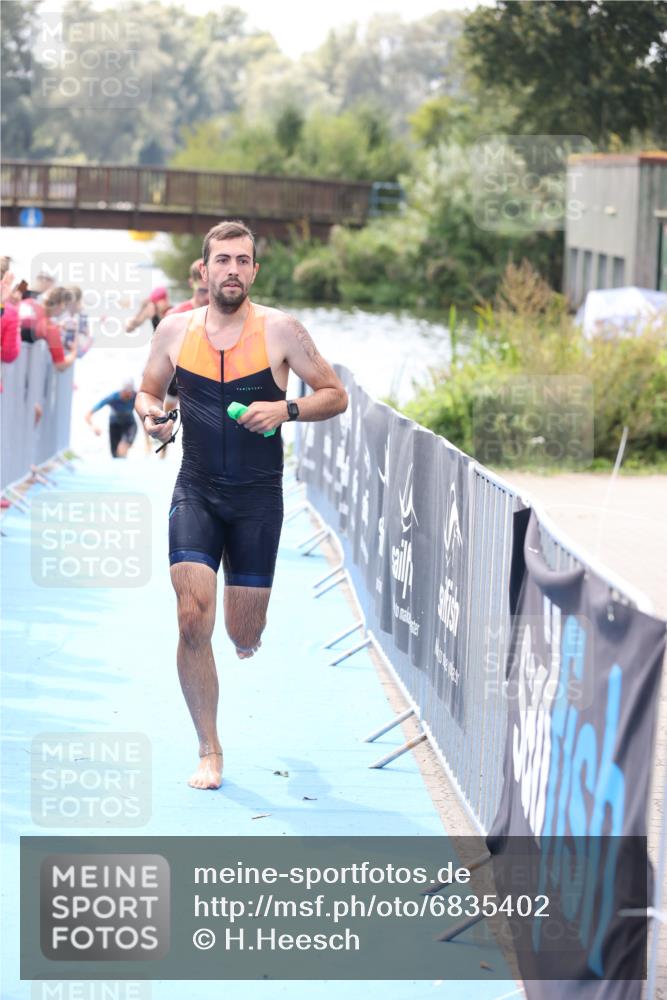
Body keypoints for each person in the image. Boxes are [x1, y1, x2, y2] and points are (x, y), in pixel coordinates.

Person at [135, 220, 348, 791]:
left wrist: (287, 411)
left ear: (254, 270)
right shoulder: (175, 330)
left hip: (257, 498)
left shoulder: (282, 331)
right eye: (222, 260)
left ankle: (246, 632)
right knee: (190, 616)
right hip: (196, 488)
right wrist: (150, 414)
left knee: (241, 632)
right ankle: (209, 748)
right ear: (203, 271)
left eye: (243, 260)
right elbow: (149, 389)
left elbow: (335, 395)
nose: (232, 269)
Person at [86, 380, 138, 458]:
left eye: (131, 393)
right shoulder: (113, 397)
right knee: (115, 455)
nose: (129, 396)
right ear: (122, 391)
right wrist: (94, 427)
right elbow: (88, 414)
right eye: (127, 394)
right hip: (115, 425)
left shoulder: (136, 396)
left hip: (129, 425)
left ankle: (123, 454)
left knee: (122, 448)